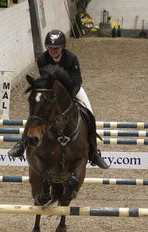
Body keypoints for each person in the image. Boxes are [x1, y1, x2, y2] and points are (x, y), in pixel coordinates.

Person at [8, 29, 109, 169]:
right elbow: (45, 80)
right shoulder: (42, 59)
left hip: (72, 90)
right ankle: (21, 144)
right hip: (51, 91)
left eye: (56, 48)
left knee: (89, 114)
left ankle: (94, 152)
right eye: (50, 47)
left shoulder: (71, 58)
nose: (53, 50)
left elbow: (77, 81)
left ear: (62, 47)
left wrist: (67, 98)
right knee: (36, 114)